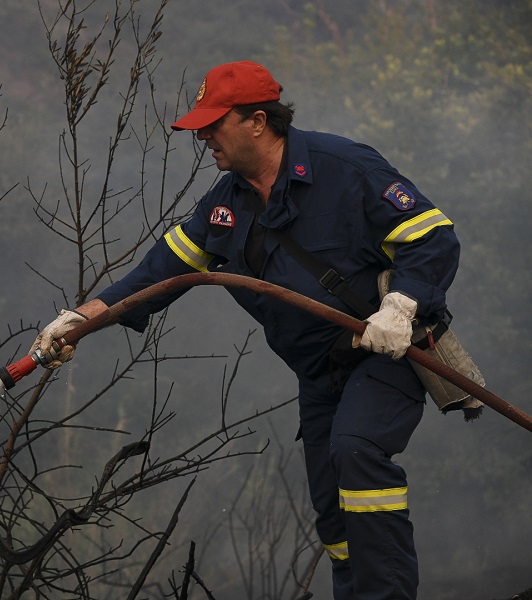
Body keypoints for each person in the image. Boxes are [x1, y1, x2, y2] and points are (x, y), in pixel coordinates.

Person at [30, 60, 459, 599]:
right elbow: (156, 276)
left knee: (357, 453)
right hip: (319, 373)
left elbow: (435, 237)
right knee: (333, 512)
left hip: (385, 354)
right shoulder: (225, 206)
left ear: (258, 121)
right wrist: (78, 322)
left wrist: (400, 306)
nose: (204, 137)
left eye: (214, 123)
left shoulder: (345, 168)